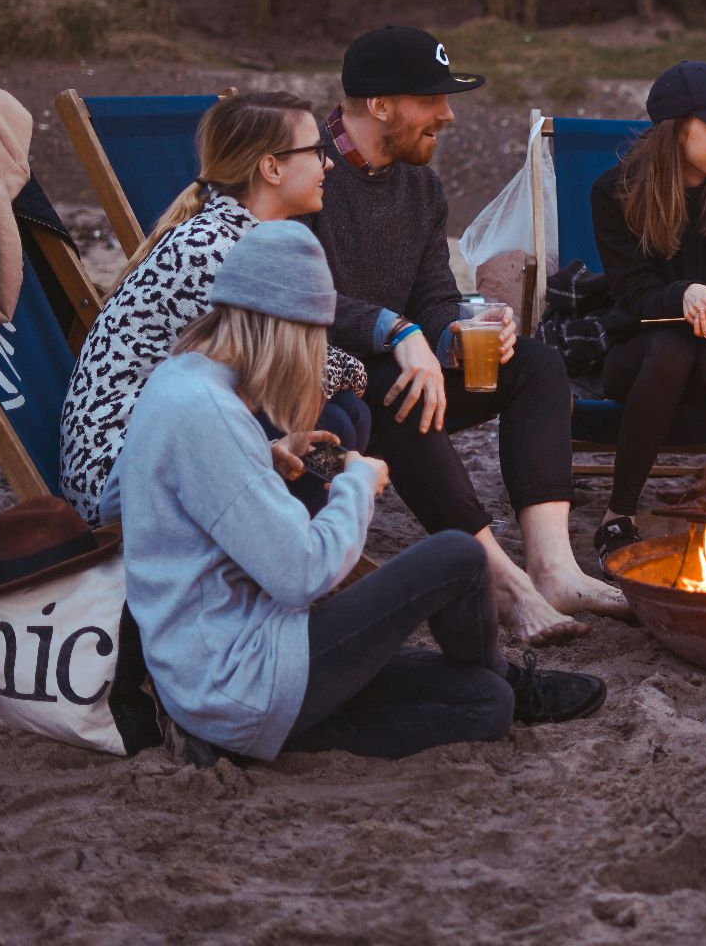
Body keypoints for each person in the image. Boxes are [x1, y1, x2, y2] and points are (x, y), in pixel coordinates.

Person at [117, 223, 605, 764]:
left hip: (229, 672)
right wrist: (357, 482)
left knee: (484, 706)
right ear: (283, 327)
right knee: (457, 557)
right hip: (240, 677)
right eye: (312, 338)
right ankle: (504, 675)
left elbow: (177, 501)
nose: (311, 357)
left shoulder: (182, 382)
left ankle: (500, 686)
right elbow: (302, 574)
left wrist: (266, 457)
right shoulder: (206, 412)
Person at [300, 26, 628, 646]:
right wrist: (397, 333)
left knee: (535, 363)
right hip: (325, 384)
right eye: (433, 100)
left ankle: (554, 568)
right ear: (380, 105)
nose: (448, 116)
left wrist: (459, 328)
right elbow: (295, 294)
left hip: (407, 363)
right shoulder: (303, 169)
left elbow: (433, 294)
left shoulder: (420, 185)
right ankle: (504, 585)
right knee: (401, 391)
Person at [59, 90, 372, 523]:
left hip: (171, 444)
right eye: (317, 151)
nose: (329, 163)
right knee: (329, 413)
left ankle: (290, 540)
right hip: (122, 479)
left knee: (342, 416)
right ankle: (283, 551)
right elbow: (293, 375)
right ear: (271, 167)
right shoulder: (212, 252)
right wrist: (355, 365)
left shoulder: (233, 236)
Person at [588, 61, 706, 560]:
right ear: (675, 131)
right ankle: (620, 513)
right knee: (673, 344)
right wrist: (684, 294)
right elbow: (634, 294)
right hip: (641, 359)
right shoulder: (615, 193)